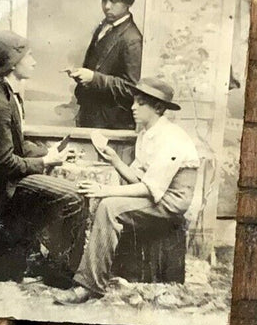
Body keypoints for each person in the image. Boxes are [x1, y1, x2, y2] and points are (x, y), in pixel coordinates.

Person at [55, 77, 200, 305]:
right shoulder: (146, 134)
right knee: (109, 202)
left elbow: (151, 189)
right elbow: (139, 178)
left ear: (159, 108)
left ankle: (89, 285)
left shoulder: (171, 138)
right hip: (157, 193)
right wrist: (114, 159)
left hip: (172, 201)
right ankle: (95, 274)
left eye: (141, 103)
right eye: (134, 102)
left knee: (109, 206)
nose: (133, 107)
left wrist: (105, 190)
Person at [0, 31, 86, 286]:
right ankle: (59, 272)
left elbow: (18, 143)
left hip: (15, 181)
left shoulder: (9, 96)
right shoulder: (0, 103)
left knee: (71, 192)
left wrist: (50, 152)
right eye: (30, 56)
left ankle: (52, 264)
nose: (34, 61)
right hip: (5, 190)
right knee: (74, 196)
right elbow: (4, 162)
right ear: (14, 64)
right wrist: (46, 163)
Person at [67, 0, 144, 130]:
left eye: (114, 1)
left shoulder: (132, 39)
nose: (107, 6)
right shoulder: (104, 27)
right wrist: (82, 75)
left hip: (112, 124)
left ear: (129, 3)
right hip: (90, 116)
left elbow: (132, 88)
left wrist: (94, 78)